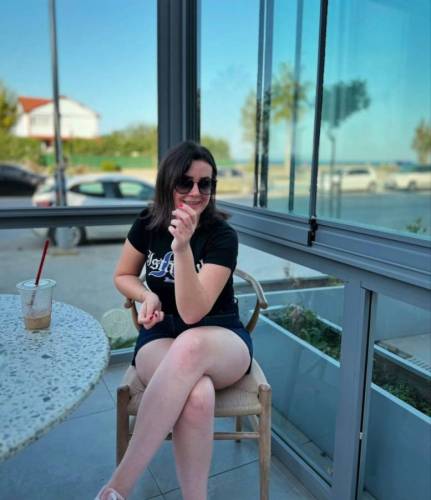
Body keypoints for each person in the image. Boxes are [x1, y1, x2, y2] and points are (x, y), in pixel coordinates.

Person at [96, 141, 253, 500]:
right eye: (186, 182)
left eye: (205, 183)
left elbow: (193, 313)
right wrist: (145, 295)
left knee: (192, 342)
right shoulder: (148, 222)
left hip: (219, 335)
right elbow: (123, 274)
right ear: (168, 182)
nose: (196, 192)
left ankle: (117, 488)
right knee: (198, 395)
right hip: (162, 333)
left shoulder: (222, 236)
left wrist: (181, 248)